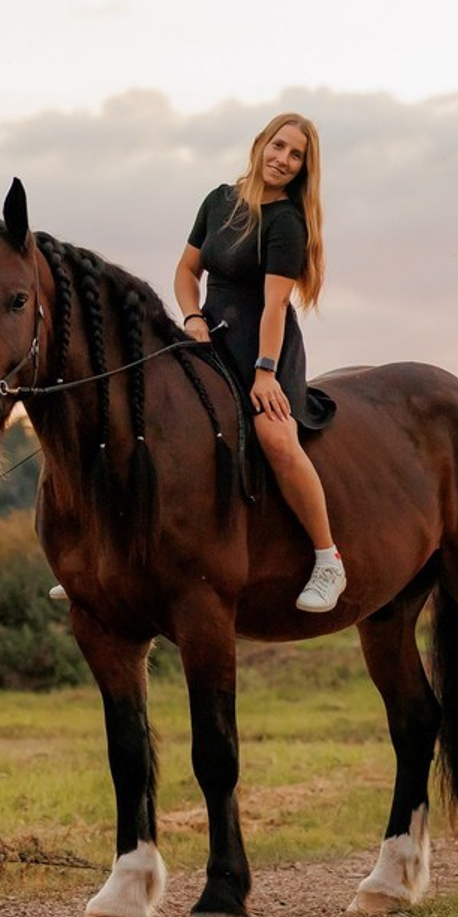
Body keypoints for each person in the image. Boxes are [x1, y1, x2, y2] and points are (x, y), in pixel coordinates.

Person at [174, 111, 347, 613]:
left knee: (275, 435)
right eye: (279, 147)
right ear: (260, 143)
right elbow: (187, 270)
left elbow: (274, 305)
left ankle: (328, 558)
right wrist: (190, 317)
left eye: (296, 156)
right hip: (209, 336)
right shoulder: (218, 200)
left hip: (263, 345)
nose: (283, 160)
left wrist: (266, 371)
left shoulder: (287, 222)